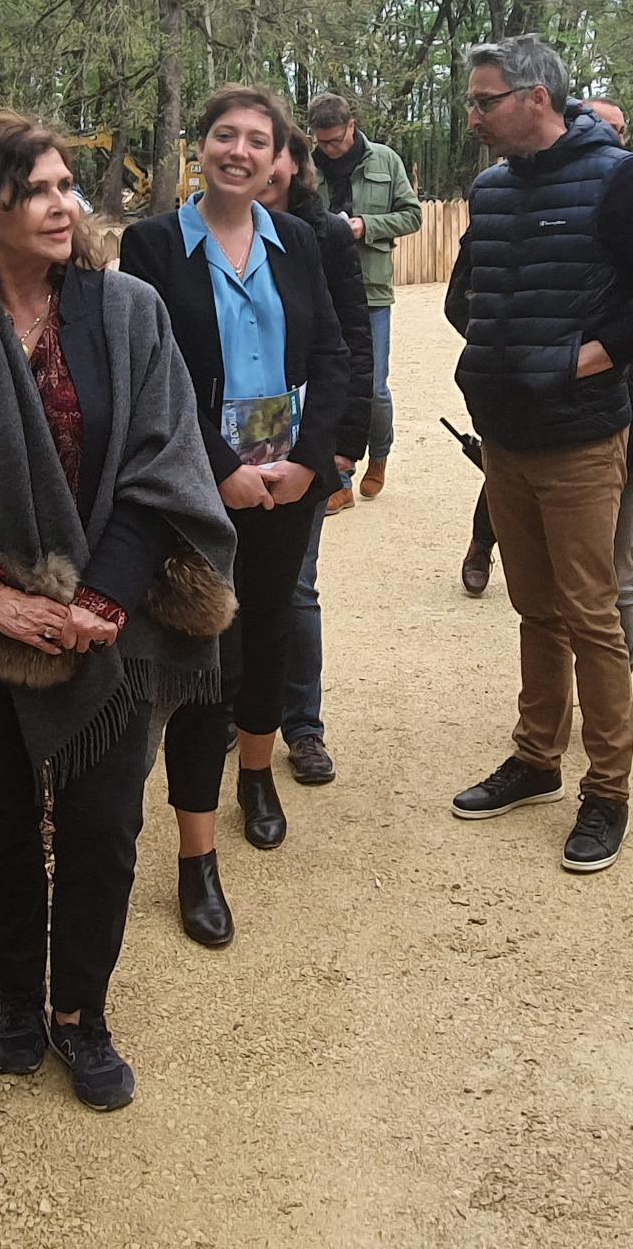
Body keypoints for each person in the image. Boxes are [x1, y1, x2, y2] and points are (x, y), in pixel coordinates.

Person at [0, 114, 238, 1113]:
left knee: (106, 822)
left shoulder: (127, 312)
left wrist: (100, 599)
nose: (68, 206)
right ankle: (19, 1000)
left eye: (69, 187)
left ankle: (83, 1013)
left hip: (111, 626)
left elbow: (165, 464)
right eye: (42, 192)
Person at [443, 37, 633, 873]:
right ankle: (537, 758)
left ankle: (608, 791)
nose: (472, 116)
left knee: (590, 614)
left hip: (583, 437)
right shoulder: (493, 187)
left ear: (536, 97)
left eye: (485, 101)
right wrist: (489, 353)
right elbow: (468, 290)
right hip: (505, 432)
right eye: (472, 102)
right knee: (534, 605)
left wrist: (574, 361)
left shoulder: (620, 180)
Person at [119, 86, 352, 946]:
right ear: (201, 146)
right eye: (226, 135)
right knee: (204, 657)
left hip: (286, 478)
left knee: (272, 634)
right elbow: (152, 371)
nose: (241, 152)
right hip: (196, 486)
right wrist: (217, 471)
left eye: (260, 140)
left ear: (280, 158)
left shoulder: (300, 240)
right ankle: (195, 856)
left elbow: (331, 353)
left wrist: (312, 459)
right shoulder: (151, 246)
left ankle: (259, 770)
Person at [458, 96, 633, 670]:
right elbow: (464, 296)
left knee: (609, 583)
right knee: (540, 594)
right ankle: (545, 730)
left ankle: (609, 696)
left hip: (625, 441)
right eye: (596, 129)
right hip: (529, 421)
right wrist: (516, 356)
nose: (605, 141)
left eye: (616, 131)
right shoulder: (527, 223)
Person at [262, 128, 374, 784]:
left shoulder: (324, 234)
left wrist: (343, 446)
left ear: (294, 162)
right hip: (221, 449)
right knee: (226, 583)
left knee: (294, 586)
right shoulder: (197, 236)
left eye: (268, 146)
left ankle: (302, 727)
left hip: (305, 440)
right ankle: (229, 709)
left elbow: (354, 341)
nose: (253, 159)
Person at [308, 91, 423, 511]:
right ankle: (339, 478)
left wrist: (365, 226)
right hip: (319, 287)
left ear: (352, 127)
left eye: (335, 141)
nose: (329, 149)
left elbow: (412, 215)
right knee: (325, 381)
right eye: (322, 142)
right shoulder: (305, 165)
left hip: (371, 288)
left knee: (372, 386)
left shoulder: (387, 161)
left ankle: (379, 456)